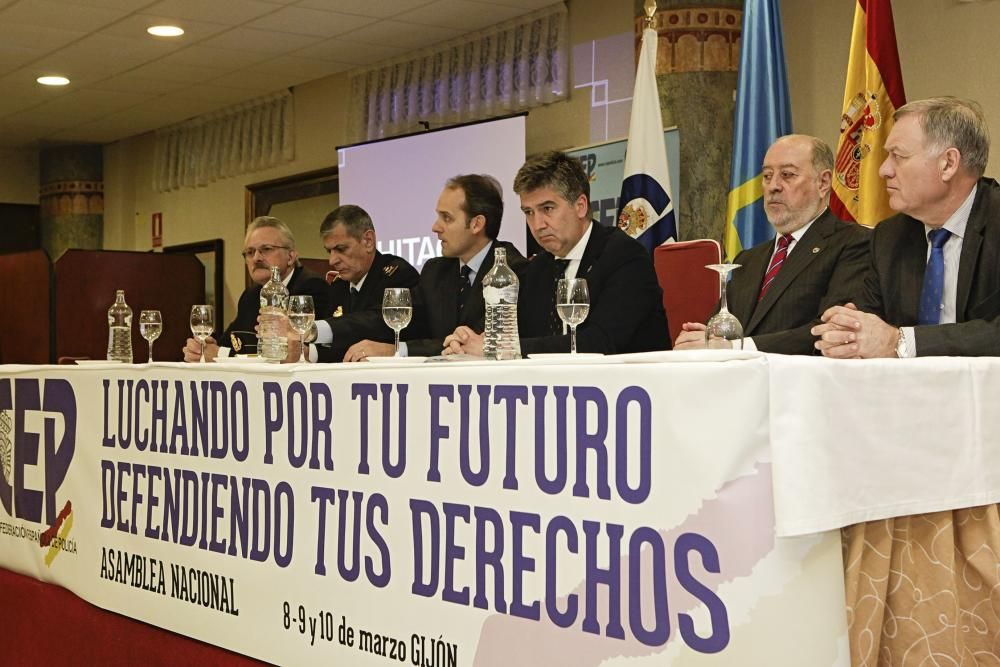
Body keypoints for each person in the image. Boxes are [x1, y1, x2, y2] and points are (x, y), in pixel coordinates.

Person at [813, 97, 1000, 357]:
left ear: (948, 164)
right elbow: (869, 318)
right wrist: (849, 332)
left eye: (898, 156)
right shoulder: (889, 237)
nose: (883, 170)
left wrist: (900, 341)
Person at [444, 150, 669, 356]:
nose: (537, 224)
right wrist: (466, 339)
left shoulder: (624, 256)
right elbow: (506, 330)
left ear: (580, 206)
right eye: (529, 212)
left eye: (547, 209)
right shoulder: (537, 269)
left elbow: (599, 343)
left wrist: (504, 347)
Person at [674, 135, 870, 354]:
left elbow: (832, 332)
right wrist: (704, 338)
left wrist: (738, 347)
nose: (773, 186)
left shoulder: (854, 243)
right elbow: (723, 334)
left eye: (787, 175)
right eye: (767, 176)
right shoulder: (748, 260)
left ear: (823, 182)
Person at [343, 174, 524, 361]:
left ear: (476, 224)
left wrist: (396, 350)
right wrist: (323, 329)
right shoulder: (435, 271)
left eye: (446, 218)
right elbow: (395, 318)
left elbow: (469, 343)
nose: (435, 227)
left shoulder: (513, 271)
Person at [182, 216, 331, 362]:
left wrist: (219, 355)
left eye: (266, 249)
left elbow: (284, 353)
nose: (256, 258)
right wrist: (201, 349)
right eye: (250, 252)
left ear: (291, 257)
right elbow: (232, 342)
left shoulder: (311, 288)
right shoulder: (251, 295)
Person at [298, 204, 419, 362]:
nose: (332, 260)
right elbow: (342, 347)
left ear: (368, 241)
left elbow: (378, 323)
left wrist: (312, 330)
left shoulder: (398, 274)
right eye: (329, 251)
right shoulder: (338, 286)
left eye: (341, 249)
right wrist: (308, 353)